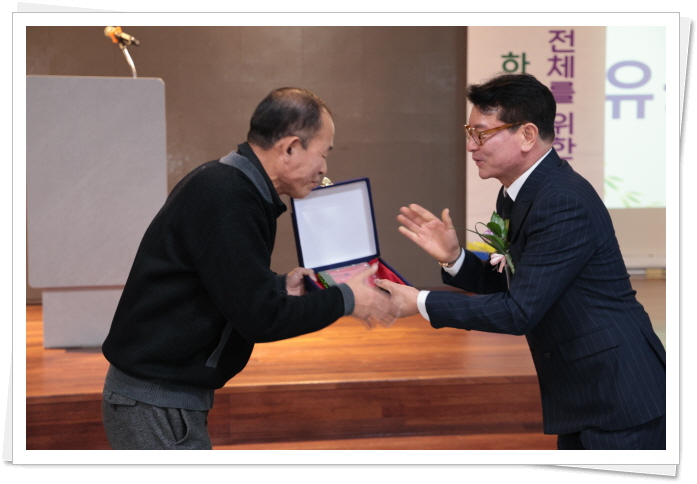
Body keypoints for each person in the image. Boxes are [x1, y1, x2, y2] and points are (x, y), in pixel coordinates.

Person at [375, 73, 666, 450]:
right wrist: (455, 258)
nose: (470, 145)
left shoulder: (562, 200)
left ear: (527, 135)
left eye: (481, 133)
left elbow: (519, 311)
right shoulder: (517, 194)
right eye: (469, 132)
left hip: (620, 392)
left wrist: (420, 302)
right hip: (582, 388)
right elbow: (520, 282)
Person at [101, 87, 395, 449]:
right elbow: (260, 319)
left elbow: (224, 283)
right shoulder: (229, 197)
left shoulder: (231, 186)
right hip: (155, 402)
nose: (324, 169)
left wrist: (278, 287)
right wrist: (347, 299)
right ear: (290, 148)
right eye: (323, 153)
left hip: (163, 399)